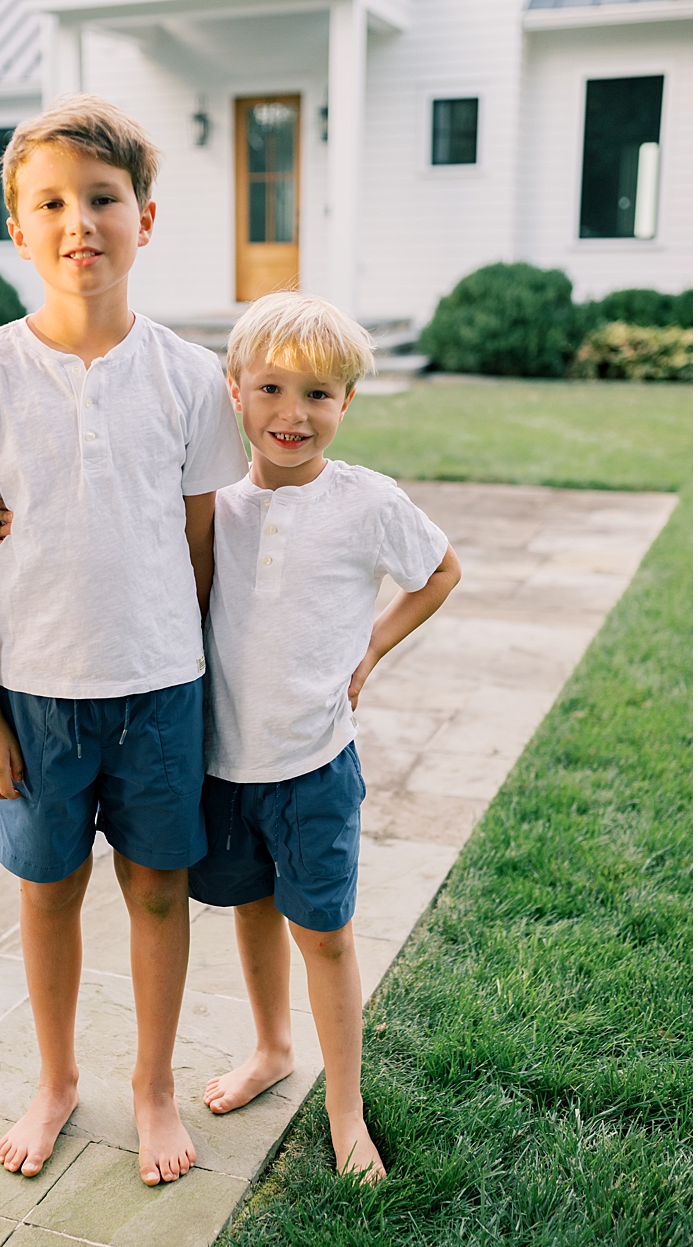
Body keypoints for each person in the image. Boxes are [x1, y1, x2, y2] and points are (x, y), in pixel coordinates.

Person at [0, 96, 247, 1186]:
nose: (79, 222)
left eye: (102, 198)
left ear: (144, 217)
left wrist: (206, 681)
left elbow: (205, 548)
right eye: (50, 202)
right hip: (35, 696)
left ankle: (151, 1085)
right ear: (17, 227)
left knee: (157, 890)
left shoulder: (193, 378)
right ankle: (56, 1076)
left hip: (159, 689)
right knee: (48, 889)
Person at [183, 292, 459, 1180]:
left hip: (314, 765)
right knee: (250, 908)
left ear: (348, 403)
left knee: (326, 934)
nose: (292, 414)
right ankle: (270, 1047)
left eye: (318, 394)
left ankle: (346, 1111)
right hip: (222, 764)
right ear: (234, 389)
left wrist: (373, 645)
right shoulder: (213, 502)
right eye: (270, 388)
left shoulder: (366, 501)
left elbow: (441, 570)